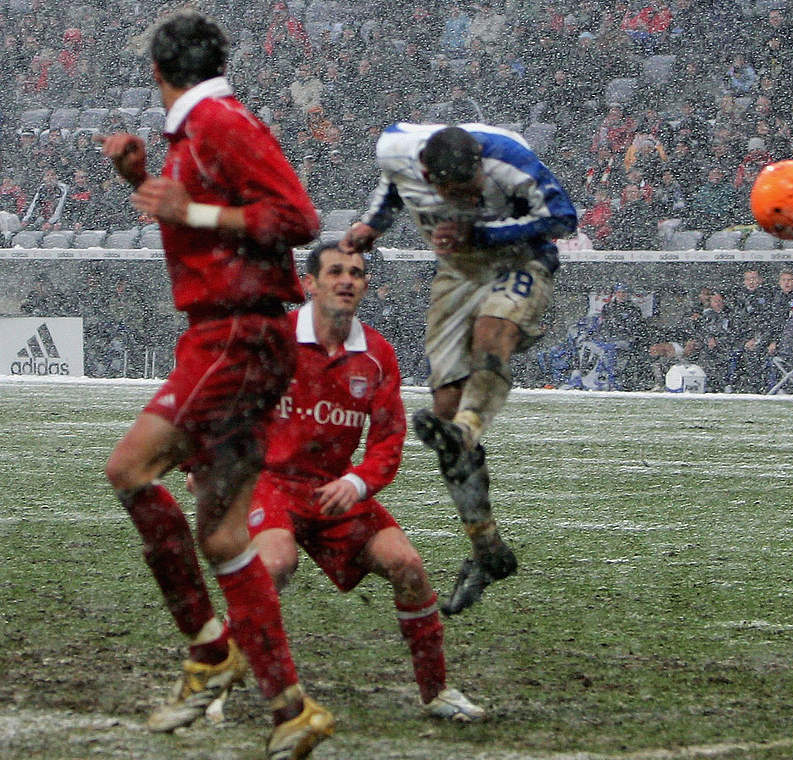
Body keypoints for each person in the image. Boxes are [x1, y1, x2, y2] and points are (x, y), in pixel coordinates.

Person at [98, 11, 333, 758]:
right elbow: (206, 226)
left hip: (235, 334)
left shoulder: (219, 121)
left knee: (130, 469)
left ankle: (207, 651)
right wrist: (144, 182)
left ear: (158, 74)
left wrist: (187, 204)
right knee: (227, 534)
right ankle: (291, 708)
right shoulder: (197, 130)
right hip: (239, 336)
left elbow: (297, 217)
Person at [340, 121, 577, 615]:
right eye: (458, 194)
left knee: (493, 333)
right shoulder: (397, 150)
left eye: (474, 187)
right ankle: (487, 549)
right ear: (430, 175)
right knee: (445, 408)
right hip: (457, 273)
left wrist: (482, 230)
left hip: (520, 260)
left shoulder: (508, 160)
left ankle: (468, 428)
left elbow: (563, 215)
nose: (469, 196)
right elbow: (392, 183)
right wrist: (373, 225)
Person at [246, 242, 486, 722]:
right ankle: (218, 678)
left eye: (356, 272)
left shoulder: (376, 355)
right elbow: (222, 400)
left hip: (336, 489)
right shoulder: (274, 339)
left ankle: (436, 692)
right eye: (335, 271)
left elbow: (387, 444)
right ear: (309, 283)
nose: (347, 280)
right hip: (273, 483)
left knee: (409, 566)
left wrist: (356, 484)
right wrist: (197, 466)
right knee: (273, 566)